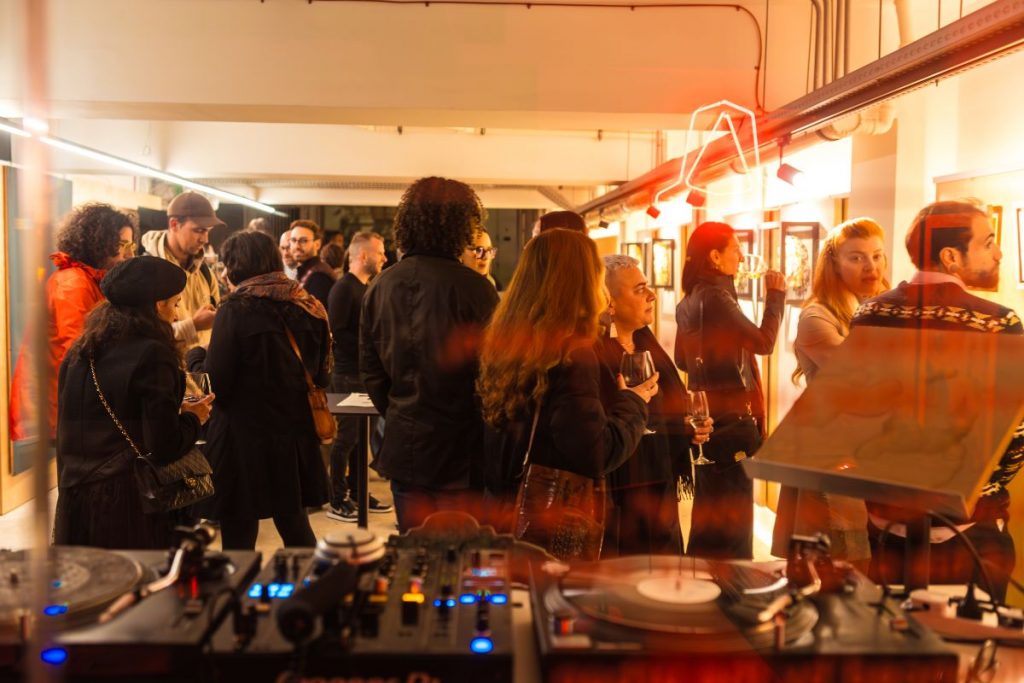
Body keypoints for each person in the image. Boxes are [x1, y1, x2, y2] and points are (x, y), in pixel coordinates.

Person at [850, 199, 1024, 600]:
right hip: (967, 532)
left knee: (894, 629)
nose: (999, 252)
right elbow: (1015, 433)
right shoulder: (997, 322)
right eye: (988, 242)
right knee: (969, 636)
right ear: (950, 256)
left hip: (886, 523)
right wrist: (985, 496)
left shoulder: (870, 312)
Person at [478, 230, 657, 536]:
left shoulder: (506, 339)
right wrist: (634, 403)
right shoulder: (573, 352)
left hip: (500, 505)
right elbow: (595, 453)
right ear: (583, 281)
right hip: (548, 520)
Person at [360, 177, 499, 532]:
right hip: (461, 449)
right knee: (463, 552)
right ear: (462, 226)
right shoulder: (476, 289)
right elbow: (494, 374)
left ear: (407, 224)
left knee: (414, 552)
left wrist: (399, 409)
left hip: (404, 444)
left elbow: (372, 372)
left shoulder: (380, 286)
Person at [54, 256, 213, 549]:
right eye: (175, 303)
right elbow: (163, 444)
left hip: (76, 497)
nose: (177, 314)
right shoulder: (154, 353)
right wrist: (194, 417)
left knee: (94, 576)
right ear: (157, 305)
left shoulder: (80, 350)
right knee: (138, 575)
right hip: (130, 502)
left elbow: (65, 431)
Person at [187, 231, 331, 550]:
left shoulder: (235, 308)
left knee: (239, 531)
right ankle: (308, 581)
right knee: (294, 524)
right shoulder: (308, 304)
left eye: (227, 264)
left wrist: (196, 356)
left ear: (239, 265)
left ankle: (241, 584)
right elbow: (322, 374)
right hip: (293, 434)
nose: (224, 273)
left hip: (242, 437)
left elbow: (217, 384)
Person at [772, 218, 889, 567]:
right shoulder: (816, 316)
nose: (871, 267)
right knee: (840, 561)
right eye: (856, 257)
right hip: (831, 451)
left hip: (869, 450)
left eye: (877, 256)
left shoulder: (877, 307)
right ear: (834, 263)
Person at [674, 221, 786, 559]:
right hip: (732, 420)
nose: (740, 256)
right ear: (714, 256)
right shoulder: (717, 296)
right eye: (735, 249)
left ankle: (703, 579)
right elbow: (764, 343)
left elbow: (681, 359)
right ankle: (731, 584)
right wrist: (776, 297)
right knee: (735, 520)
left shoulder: (688, 300)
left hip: (707, 420)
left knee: (711, 512)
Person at [597, 254, 711, 556]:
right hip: (621, 496)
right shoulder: (595, 354)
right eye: (639, 289)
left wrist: (686, 429)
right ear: (610, 303)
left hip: (659, 484)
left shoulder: (648, 344)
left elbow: (661, 414)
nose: (652, 295)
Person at [9, 203, 136, 441]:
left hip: (65, 405)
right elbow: (80, 352)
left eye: (131, 246)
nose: (129, 254)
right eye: (122, 245)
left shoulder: (88, 280)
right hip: (58, 409)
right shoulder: (74, 283)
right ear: (99, 242)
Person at [326, 231, 393, 521]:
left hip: (362, 375)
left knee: (360, 439)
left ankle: (358, 492)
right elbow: (339, 333)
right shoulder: (343, 288)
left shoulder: (363, 287)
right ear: (364, 255)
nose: (385, 258)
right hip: (347, 375)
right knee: (346, 438)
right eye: (380, 252)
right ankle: (337, 498)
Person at [140, 191, 222, 349]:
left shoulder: (206, 274)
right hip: (165, 364)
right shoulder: (146, 273)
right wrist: (193, 326)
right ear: (174, 224)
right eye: (198, 230)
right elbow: (142, 338)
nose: (205, 239)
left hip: (203, 365)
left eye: (208, 231)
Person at [290, 219, 336, 308]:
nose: (297, 246)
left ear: (317, 244)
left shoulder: (319, 276)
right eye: (293, 240)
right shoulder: (307, 271)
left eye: (303, 240)